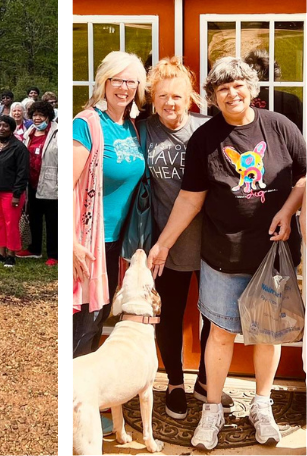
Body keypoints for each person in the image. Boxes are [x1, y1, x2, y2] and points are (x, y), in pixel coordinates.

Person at [147, 57, 306, 450]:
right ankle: (212, 408)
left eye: (238, 86)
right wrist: (163, 244)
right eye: (222, 89)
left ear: (252, 89)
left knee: (268, 334)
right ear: (214, 98)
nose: (232, 93)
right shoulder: (206, 138)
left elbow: (304, 175)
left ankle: (263, 405)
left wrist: (287, 211)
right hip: (222, 254)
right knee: (221, 334)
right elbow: (190, 198)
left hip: (273, 254)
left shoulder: (280, 127)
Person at [140, 57, 225, 420]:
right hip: (165, 245)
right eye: (162, 97)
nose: (170, 103)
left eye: (177, 96)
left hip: (212, 243)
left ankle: (207, 381)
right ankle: (174, 382)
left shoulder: (208, 130)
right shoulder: (144, 131)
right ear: (152, 99)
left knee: (214, 318)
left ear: (190, 96)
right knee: (170, 315)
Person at [72, 51, 147, 361]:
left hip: (116, 242)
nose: (123, 87)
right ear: (104, 81)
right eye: (117, 79)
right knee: (84, 326)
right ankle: (76, 402)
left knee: (98, 319)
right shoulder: (87, 123)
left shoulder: (132, 126)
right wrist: (72, 243)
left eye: (131, 81)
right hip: (88, 242)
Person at [0, 116, 30, 267]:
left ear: (11, 129)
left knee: (11, 224)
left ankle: (11, 254)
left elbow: (23, 173)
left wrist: (17, 194)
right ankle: (0, 252)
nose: (1, 129)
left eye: (5, 126)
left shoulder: (19, 148)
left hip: (11, 193)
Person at [19, 101, 57, 266]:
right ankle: (34, 249)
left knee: (52, 221)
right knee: (34, 217)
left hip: (52, 183)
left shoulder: (58, 133)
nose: (37, 118)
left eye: (41, 115)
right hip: (32, 182)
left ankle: (54, 254)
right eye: (34, 115)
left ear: (48, 116)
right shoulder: (30, 132)